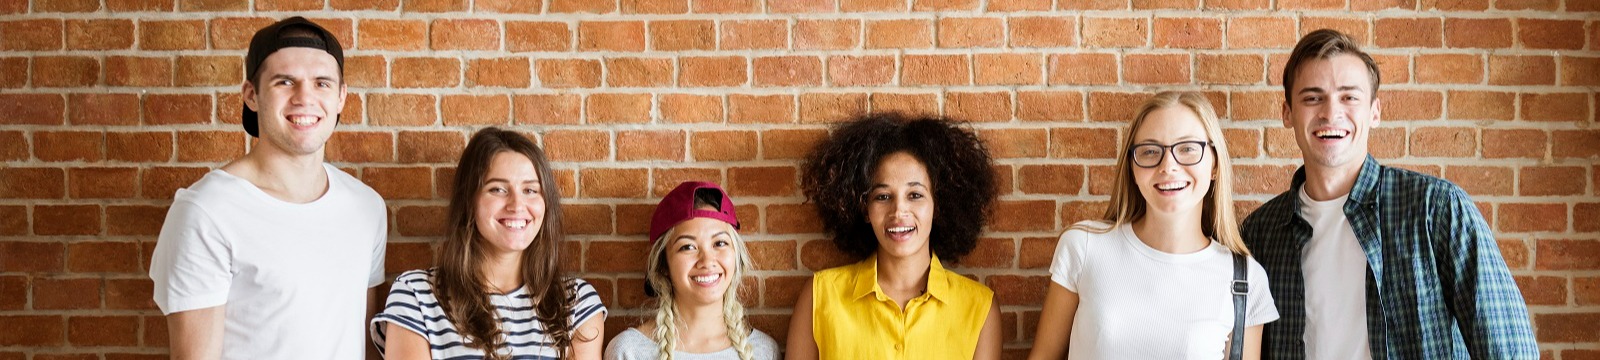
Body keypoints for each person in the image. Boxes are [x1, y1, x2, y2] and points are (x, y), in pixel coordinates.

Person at [1240, 29, 1538, 359]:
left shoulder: (1435, 209)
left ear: (1375, 112)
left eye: (1349, 97)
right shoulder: (1261, 233)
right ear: (1287, 113)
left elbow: (1509, 350)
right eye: (1312, 98)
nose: (1330, 112)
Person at [148, 16, 386, 359]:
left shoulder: (366, 207)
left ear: (341, 98)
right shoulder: (206, 211)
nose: (305, 97)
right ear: (251, 95)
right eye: (285, 82)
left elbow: (362, 341)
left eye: (322, 83)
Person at [1028, 91, 1278, 359]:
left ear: (1215, 164)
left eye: (1188, 149)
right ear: (1132, 168)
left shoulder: (1244, 278)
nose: (1168, 166)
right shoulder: (1085, 247)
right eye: (1149, 151)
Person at [371, 127, 606, 360]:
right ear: (469, 200)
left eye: (530, 190)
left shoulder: (576, 303)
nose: (517, 204)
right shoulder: (416, 296)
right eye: (498, 189)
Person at [786, 113, 1002, 360]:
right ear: (864, 208)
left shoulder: (979, 308)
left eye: (915, 195)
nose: (898, 212)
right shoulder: (819, 297)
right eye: (883, 197)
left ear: (938, 205)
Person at [603, 181, 780, 360]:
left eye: (719, 243)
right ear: (663, 264)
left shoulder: (764, 351)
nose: (707, 260)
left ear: (736, 256)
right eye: (688, 247)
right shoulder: (628, 351)